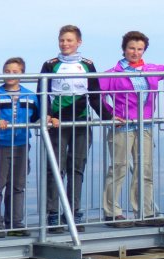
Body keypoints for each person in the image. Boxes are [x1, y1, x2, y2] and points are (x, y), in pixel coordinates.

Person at [98, 30, 164, 228]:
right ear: (124, 49)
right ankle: (112, 213)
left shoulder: (150, 69)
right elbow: (96, 96)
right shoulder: (112, 74)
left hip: (145, 126)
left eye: (139, 49)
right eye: (131, 48)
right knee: (118, 169)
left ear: (144, 50)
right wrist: (110, 115)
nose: (135, 52)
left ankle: (145, 212)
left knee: (145, 170)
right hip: (122, 127)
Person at [40, 24, 111, 231]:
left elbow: (95, 96)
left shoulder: (88, 65)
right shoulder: (50, 64)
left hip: (81, 122)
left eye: (69, 40)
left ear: (78, 42)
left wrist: (108, 116)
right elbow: (41, 92)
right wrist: (46, 114)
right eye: (62, 40)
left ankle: (72, 213)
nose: (65, 44)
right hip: (57, 124)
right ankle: (52, 214)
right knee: (55, 169)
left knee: (76, 169)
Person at [0, 57, 40, 238]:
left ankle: (15, 223)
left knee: (18, 185)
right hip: (0, 144)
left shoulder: (30, 96)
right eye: (7, 71)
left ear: (22, 74)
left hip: (22, 144)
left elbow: (37, 117)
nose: (10, 75)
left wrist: (47, 119)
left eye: (15, 72)